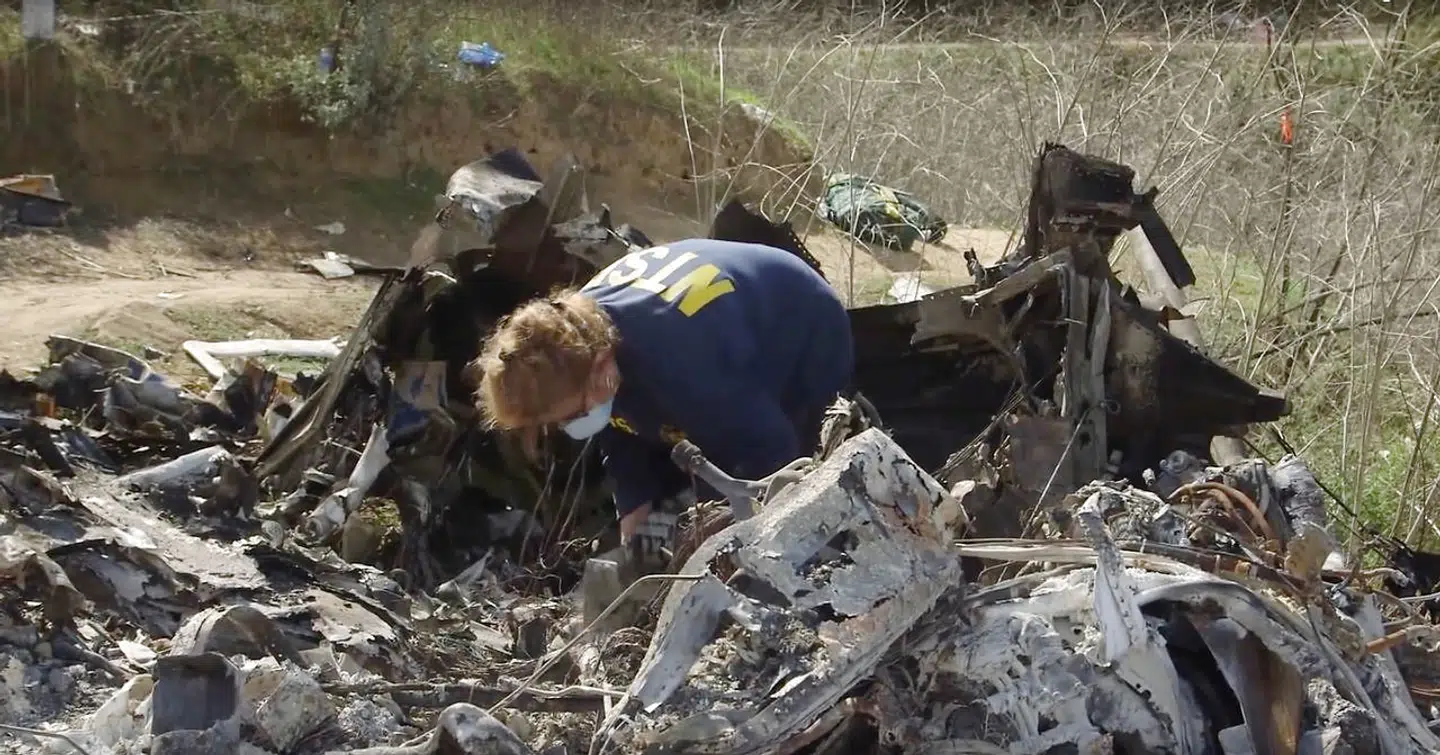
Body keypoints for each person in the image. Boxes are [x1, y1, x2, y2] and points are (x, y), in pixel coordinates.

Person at [470, 238, 855, 562]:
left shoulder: (680, 365)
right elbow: (619, 428)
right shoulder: (576, 335)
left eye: (573, 414)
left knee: (790, 492)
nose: (567, 426)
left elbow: (770, 451)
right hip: (712, 333)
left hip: (801, 325)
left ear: (601, 364)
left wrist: (711, 528)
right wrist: (634, 508)